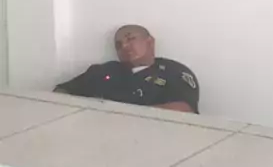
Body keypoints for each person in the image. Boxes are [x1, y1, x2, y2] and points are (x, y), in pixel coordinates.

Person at [55, 25, 199, 113]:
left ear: (150, 42)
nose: (124, 46)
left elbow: (183, 109)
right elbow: (60, 93)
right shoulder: (104, 70)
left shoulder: (173, 71)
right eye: (118, 45)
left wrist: (124, 114)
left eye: (130, 39)